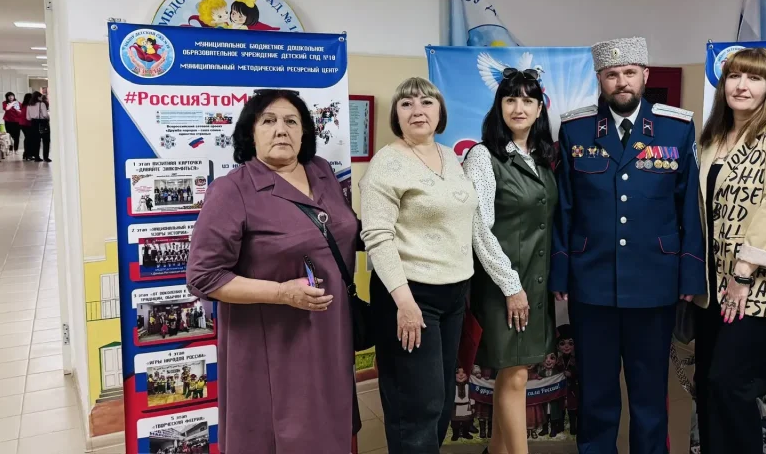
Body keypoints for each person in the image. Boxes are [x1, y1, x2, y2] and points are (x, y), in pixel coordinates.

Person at [550, 37, 704, 453]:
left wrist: (691, 273)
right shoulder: (576, 129)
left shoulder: (676, 128)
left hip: (654, 281)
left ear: (645, 75)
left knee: (649, 395)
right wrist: (560, 271)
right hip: (592, 282)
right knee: (596, 393)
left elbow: (688, 205)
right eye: (612, 74)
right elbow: (564, 207)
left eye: (630, 72)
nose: (622, 82)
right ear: (600, 79)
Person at [186, 89, 358, 453]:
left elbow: (342, 230)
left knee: (331, 429)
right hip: (274, 344)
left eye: (291, 121)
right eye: (268, 121)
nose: (281, 129)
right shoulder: (232, 191)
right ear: (251, 133)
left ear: (304, 132)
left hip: (331, 332)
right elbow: (203, 275)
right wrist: (281, 292)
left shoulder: (322, 172)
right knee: (283, 434)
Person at [693, 48, 766, 454]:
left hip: (754, 288)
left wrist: (742, 272)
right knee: (707, 386)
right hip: (711, 289)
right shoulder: (712, 138)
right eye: (734, 76)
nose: (741, 86)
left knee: (731, 386)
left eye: (754, 78)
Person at [359, 77, 478, 453]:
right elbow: (377, 236)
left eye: (426, 102)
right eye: (406, 104)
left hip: (453, 294)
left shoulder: (449, 156)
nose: (417, 110)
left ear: (440, 111)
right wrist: (405, 303)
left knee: (440, 399)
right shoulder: (387, 163)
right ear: (396, 115)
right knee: (416, 405)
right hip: (409, 295)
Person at [462, 67, 558, 454]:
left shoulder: (542, 158)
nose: (519, 108)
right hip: (504, 283)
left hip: (535, 281)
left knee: (515, 371)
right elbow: (478, 229)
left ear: (539, 109)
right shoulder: (483, 156)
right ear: (499, 106)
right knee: (515, 374)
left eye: (528, 100)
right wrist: (511, 286)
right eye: (510, 99)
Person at [25, 92, 51, 163]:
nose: (41, 98)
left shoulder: (29, 105)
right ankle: (46, 157)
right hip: (43, 123)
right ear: (38, 97)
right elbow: (45, 115)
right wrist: (48, 118)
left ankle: (37, 157)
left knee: (36, 141)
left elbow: (28, 118)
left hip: (33, 123)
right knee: (46, 141)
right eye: (41, 96)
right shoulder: (41, 104)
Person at [19, 93, 36, 161]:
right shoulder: (29, 106)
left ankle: (26, 154)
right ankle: (28, 155)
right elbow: (30, 116)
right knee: (29, 139)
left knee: (27, 139)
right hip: (27, 124)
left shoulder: (23, 105)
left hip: (22, 124)